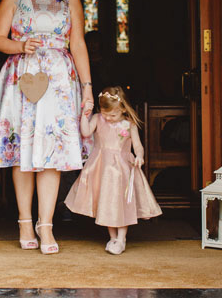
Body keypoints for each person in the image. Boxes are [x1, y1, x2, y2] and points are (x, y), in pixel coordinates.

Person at [0, 0, 93, 255]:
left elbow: (78, 44)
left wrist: (88, 87)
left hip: (59, 81)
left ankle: (46, 225)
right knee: (23, 152)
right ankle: (25, 222)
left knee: (52, 154)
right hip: (22, 77)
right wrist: (20, 46)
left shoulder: (71, 0)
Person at [65, 86, 162, 255]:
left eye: (113, 115)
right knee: (107, 202)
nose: (108, 118)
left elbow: (138, 147)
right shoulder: (97, 118)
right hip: (101, 167)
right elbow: (86, 132)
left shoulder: (129, 124)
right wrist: (85, 116)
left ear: (123, 109)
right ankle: (112, 237)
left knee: (120, 202)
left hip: (121, 169)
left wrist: (139, 156)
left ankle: (122, 238)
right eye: (105, 113)